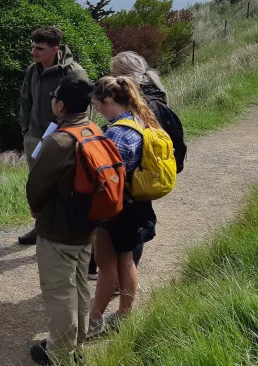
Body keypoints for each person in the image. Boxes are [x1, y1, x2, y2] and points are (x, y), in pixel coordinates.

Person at [88, 51, 186, 280]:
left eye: (113, 75)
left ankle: (118, 278)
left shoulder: (140, 105)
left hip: (132, 179)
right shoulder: (158, 97)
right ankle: (120, 275)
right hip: (148, 174)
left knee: (125, 234)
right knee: (133, 230)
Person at [26, 76, 96, 365]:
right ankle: (77, 345)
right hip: (88, 226)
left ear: (60, 105)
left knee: (59, 291)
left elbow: (36, 185)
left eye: (54, 96)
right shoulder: (92, 129)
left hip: (59, 229)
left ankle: (59, 355)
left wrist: (37, 211)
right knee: (80, 285)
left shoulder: (59, 141)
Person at [87, 77, 161, 337]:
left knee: (105, 264)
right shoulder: (140, 119)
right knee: (127, 259)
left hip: (116, 207)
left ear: (108, 102)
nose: (96, 110)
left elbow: (107, 176)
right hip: (137, 203)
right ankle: (124, 313)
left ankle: (94, 320)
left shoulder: (116, 132)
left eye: (97, 105)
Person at [18, 27, 89, 246]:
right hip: (35, 137)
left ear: (55, 49)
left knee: (62, 188)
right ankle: (40, 228)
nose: (34, 52)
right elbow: (25, 100)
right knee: (38, 185)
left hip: (62, 141)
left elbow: (84, 110)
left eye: (39, 48)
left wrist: (73, 139)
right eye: (32, 47)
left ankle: (66, 233)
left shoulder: (73, 72)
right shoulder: (33, 70)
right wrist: (26, 131)